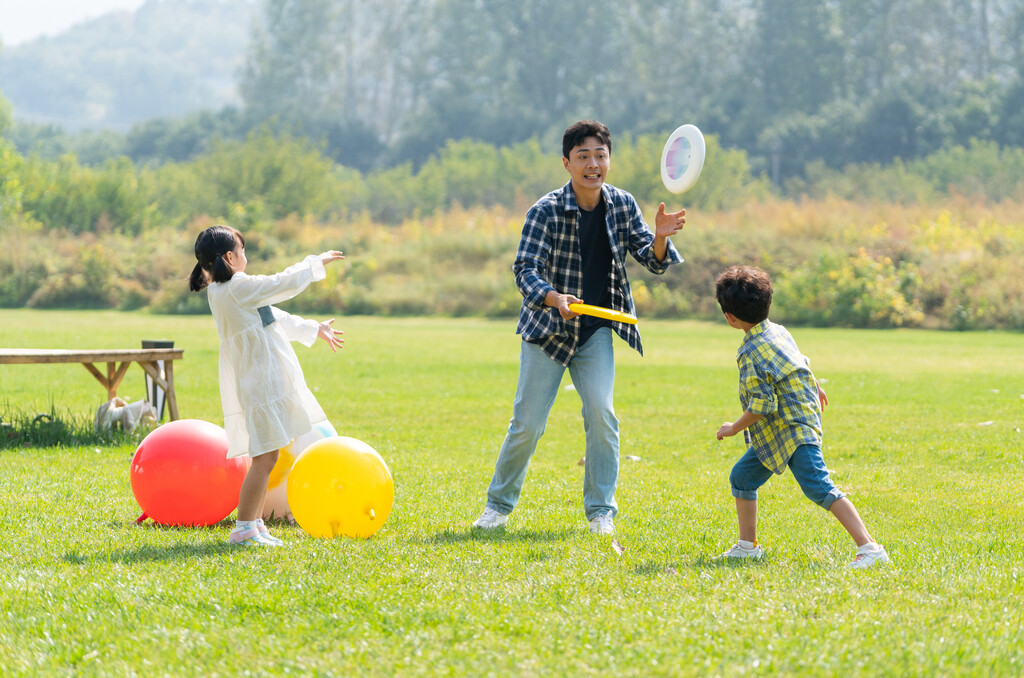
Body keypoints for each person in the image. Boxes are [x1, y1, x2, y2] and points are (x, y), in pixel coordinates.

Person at [473, 119, 686, 535]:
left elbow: (652, 258)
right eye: (583, 156)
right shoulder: (546, 210)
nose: (593, 164)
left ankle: (601, 512)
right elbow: (524, 269)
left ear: (609, 160)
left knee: (602, 414)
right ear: (567, 163)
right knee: (528, 424)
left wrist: (660, 237)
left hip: (594, 333)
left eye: (600, 156)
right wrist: (556, 299)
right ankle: (497, 507)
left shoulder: (622, 205)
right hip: (547, 332)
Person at [713, 265, 889, 569]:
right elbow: (799, 363)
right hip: (778, 430)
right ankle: (746, 547)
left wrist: (733, 427)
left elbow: (760, 406)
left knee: (818, 486)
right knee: (742, 478)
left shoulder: (751, 351)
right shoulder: (777, 330)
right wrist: (815, 385)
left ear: (730, 317)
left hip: (794, 428)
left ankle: (870, 547)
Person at [189, 225, 345, 546]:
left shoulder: (226, 291)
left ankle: (254, 524)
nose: (246, 257)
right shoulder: (237, 287)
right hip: (260, 384)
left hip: (262, 382)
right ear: (231, 257)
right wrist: (314, 263)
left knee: (268, 455)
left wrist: (312, 329)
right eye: (243, 251)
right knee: (264, 458)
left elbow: (272, 316)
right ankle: (244, 528)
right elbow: (281, 284)